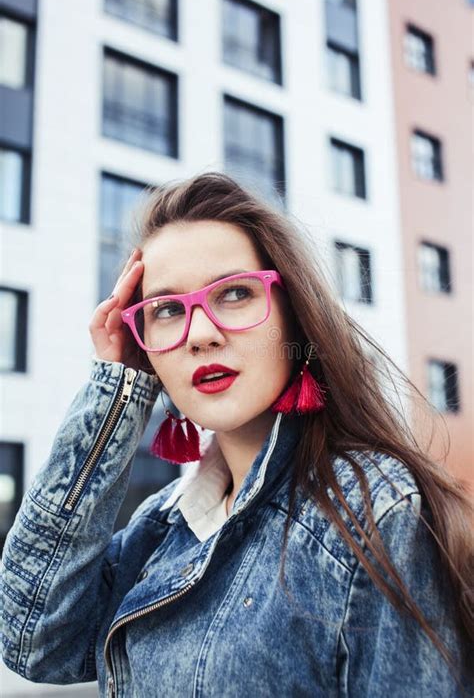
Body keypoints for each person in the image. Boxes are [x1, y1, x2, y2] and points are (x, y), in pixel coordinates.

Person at [1, 172, 472, 697]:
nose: (200, 333)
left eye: (235, 294)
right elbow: (37, 641)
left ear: (294, 317)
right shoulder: (163, 523)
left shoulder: (376, 512)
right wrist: (119, 386)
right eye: (167, 310)